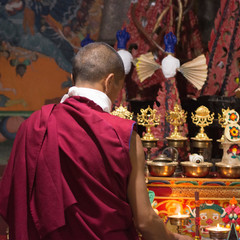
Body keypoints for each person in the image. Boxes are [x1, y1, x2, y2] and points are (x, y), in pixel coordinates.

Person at [0, 42, 192, 240]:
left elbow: (12, 201)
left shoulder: (33, 126)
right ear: (109, 82)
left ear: (73, 78)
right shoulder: (123, 134)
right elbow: (144, 221)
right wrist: (174, 238)